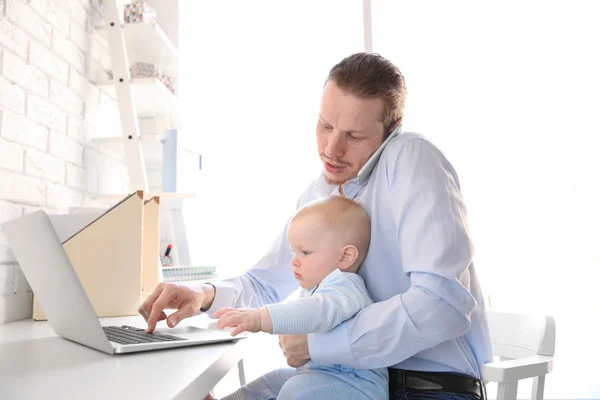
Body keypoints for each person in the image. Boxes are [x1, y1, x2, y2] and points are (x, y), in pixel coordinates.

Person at [139, 52, 492, 400]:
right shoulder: (320, 195)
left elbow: (442, 304)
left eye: (353, 136)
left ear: (392, 130)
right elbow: (265, 282)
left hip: (428, 387)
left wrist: (318, 345)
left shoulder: (412, 158)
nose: (332, 149)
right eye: (325, 126)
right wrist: (203, 295)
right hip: (346, 378)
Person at [205, 195, 388, 399]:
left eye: (305, 253)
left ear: (345, 257)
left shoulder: (347, 286)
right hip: (323, 375)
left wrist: (259, 318)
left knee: (296, 390)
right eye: (294, 252)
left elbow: (317, 311)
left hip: (356, 386)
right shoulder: (317, 286)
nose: (294, 261)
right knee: (271, 381)